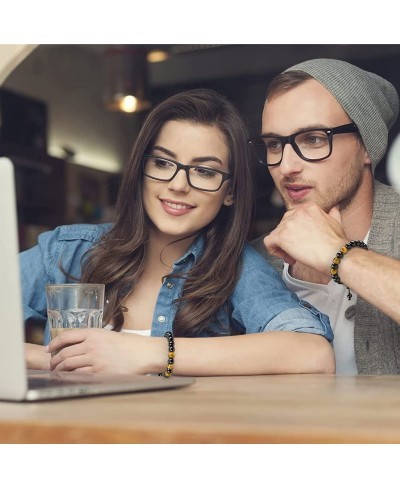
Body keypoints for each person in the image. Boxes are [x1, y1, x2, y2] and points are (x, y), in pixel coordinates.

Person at [21, 88, 334, 376]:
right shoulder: (69, 251)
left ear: (230, 192)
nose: (178, 185)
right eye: (162, 163)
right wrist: (51, 359)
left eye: (205, 171)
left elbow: (313, 355)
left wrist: (151, 353)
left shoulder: (238, 270)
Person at [250, 58, 400, 375]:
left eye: (315, 139)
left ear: (367, 147)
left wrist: (339, 255)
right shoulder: (254, 263)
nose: (287, 166)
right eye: (275, 144)